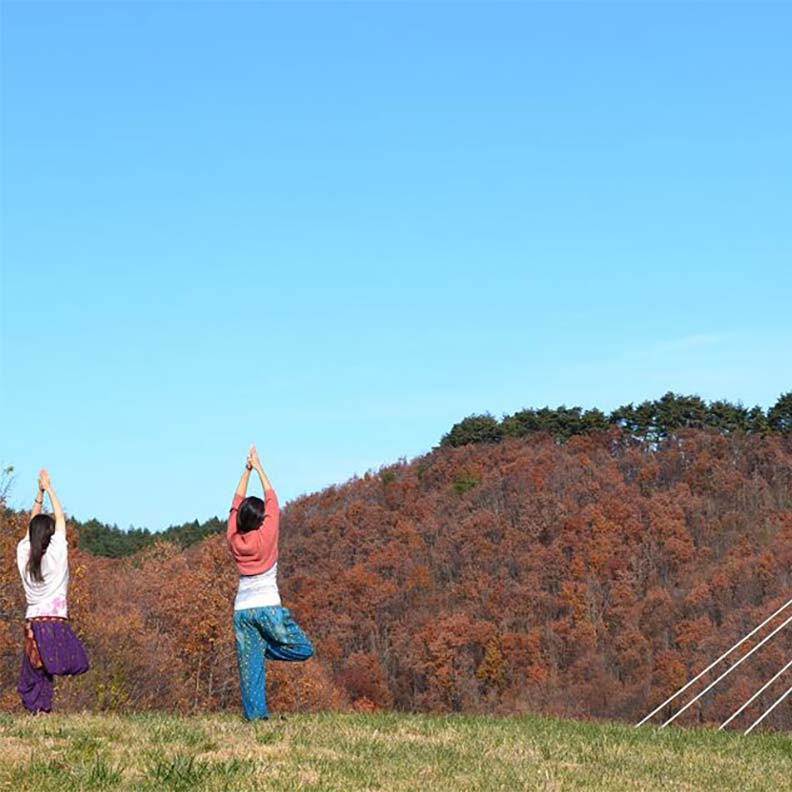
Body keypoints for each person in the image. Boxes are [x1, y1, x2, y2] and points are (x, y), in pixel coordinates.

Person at [227, 445, 314, 720]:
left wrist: (245, 471)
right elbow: (273, 498)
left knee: (249, 668)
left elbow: (234, 503)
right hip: (268, 607)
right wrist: (258, 467)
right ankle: (265, 651)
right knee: (303, 649)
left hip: (242, 610)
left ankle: (256, 718)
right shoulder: (267, 534)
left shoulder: (233, 537)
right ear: (261, 519)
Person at [17, 469, 89, 713]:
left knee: (37, 671)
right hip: (55, 622)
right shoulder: (56, 556)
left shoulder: (25, 557)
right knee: (63, 664)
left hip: (33, 622)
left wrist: (38, 495)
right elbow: (61, 520)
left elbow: (30, 529)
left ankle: (40, 711)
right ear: (49, 535)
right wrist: (49, 489)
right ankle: (43, 712)